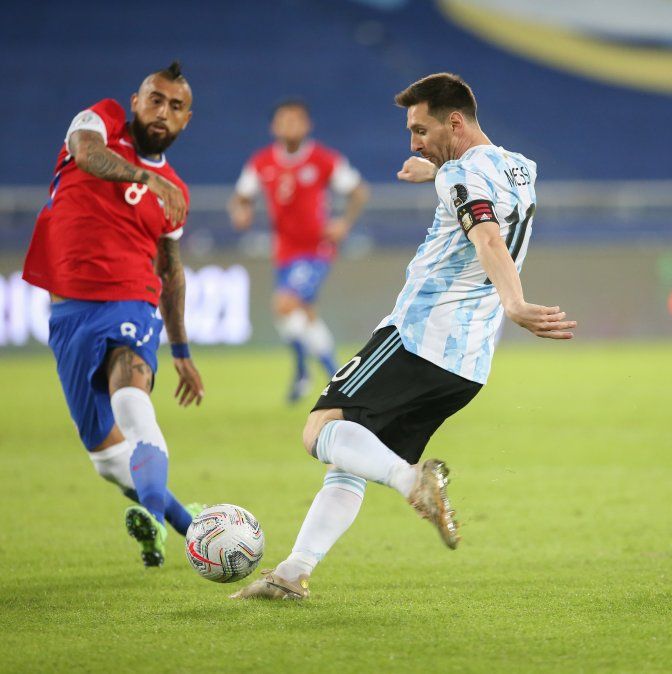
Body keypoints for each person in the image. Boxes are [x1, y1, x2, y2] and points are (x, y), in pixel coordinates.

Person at [232, 72, 576, 600]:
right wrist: (433, 168)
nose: (412, 141)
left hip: (417, 337)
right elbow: (480, 195)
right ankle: (293, 573)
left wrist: (514, 301)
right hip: (466, 367)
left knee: (320, 431)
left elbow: (485, 234)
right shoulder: (518, 167)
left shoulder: (457, 177)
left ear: (454, 122)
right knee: (350, 460)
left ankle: (414, 482)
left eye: (420, 130)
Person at [22, 62, 206, 567]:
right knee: (106, 458)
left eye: (175, 106)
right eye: (155, 99)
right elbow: (86, 155)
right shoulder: (99, 123)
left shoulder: (176, 193)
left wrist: (183, 350)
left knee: (130, 385)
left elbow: (171, 272)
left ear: (187, 119)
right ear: (135, 101)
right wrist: (145, 177)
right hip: (69, 311)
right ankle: (184, 522)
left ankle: (190, 531)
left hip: (130, 297)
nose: (162, 111)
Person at [228, 100, 371, 402]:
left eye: (296, 120)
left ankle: (317, 374)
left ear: (307, 125)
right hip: (284, 252)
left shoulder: (323, 159)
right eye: (284, 120)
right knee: (303, 317)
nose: (290, 126)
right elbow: (240, 197)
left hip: (317, 249)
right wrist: (240, 212)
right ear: (273, 127)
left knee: (284, 305)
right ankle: (329, 377)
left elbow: (358, 191)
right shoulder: (261, 162)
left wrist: (343, 222)